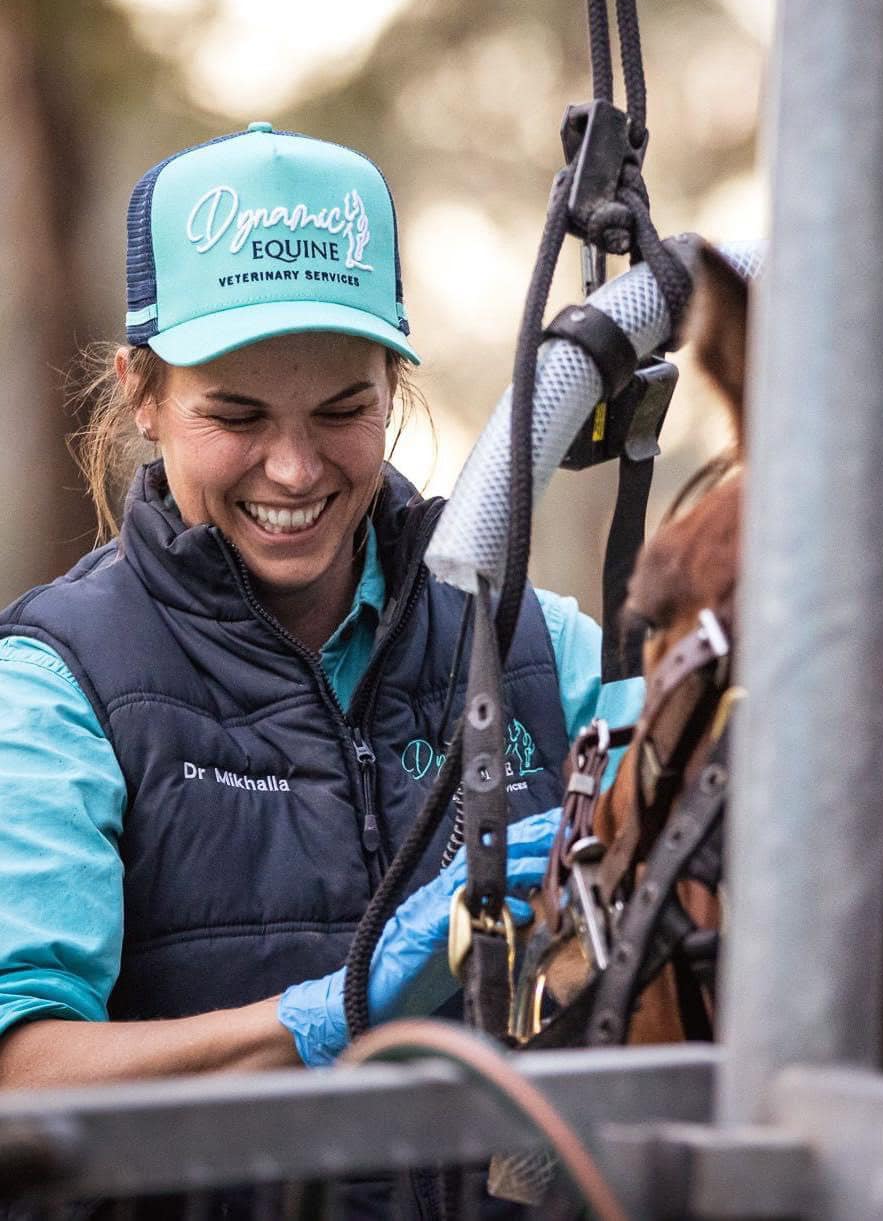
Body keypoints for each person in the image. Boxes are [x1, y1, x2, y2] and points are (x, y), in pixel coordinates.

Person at [0, 124, 642, 1091]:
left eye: (344, 410)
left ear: (395, 385)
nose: (295, 471)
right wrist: (329, 1013)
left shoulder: (539, 650)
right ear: (142, 391)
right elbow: (22, 1073)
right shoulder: (57, 687)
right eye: (236, 415)